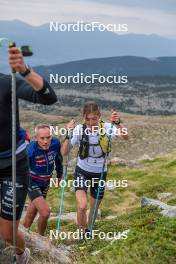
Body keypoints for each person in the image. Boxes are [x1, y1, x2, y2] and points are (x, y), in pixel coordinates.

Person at [0, 46, 57, 263]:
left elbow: (48, 97)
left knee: (7, 234)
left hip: (12, 168)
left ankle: (22, 255)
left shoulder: (6, 83)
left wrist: (25, 70)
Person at [61, 101, 128, 237]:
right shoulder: (79, 130)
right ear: (83, 117)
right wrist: (68, 134)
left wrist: (118, 123)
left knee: (94, 208)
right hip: (82, 171)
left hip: (100, 173)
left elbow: (126, 137)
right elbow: (64, 152)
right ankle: (82, 232)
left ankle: (89, 232)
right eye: (87, 119)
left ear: (99, 116)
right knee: (82, 206)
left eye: (94, 119)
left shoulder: (108, 128)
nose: (91, 122)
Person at [22, 124, 63, 235]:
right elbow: (22, 169)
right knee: (45, 212)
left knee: (32, 211)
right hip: (32, 181)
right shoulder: (30, 149)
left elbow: (58, 159)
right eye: (42, 138)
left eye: (48, 137)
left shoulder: (55, 143)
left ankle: (22, 233)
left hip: (46, 182)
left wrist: (60, 174)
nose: (46, 141)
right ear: (36, 138)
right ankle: (40, 238)